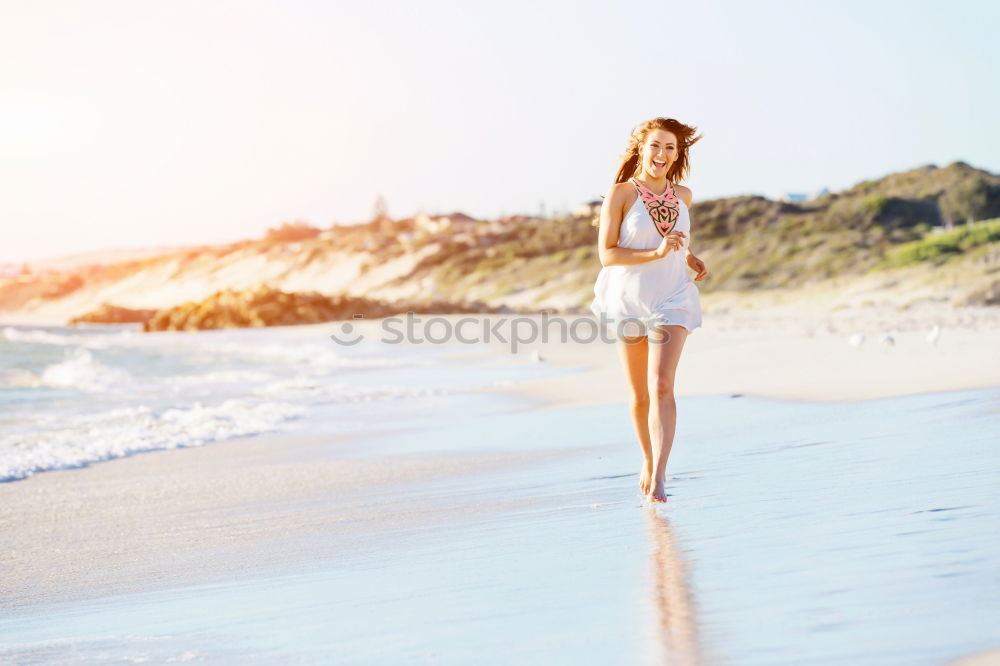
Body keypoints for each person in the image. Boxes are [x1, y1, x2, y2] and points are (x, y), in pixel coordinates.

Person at [590, 117, 710, 504]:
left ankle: (659, 475)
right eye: (656, 146)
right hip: (628, 299)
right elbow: (608, 254)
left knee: (661, 386)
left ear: (678, 155)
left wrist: (689, 256)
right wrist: (656, 253)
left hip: (672, 297)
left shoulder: (684, 195)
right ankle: (646, 458)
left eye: (670, 148)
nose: (662, 154)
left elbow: (674, 238)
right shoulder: (621, 194)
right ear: (641, 148)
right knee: (640, 395)